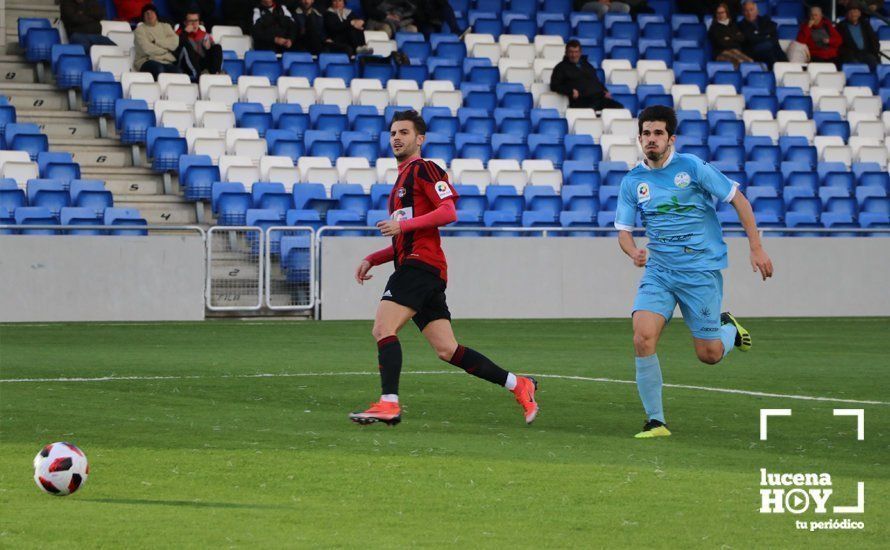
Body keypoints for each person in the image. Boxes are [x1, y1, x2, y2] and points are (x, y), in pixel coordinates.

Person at [349, 110, 540, 427]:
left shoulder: (425, 169)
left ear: (419, 139)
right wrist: (375, 257)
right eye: (393, 132)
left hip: (420, 266)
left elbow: (448, 211)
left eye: (404, 132)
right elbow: (406, 236)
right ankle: (518, 384)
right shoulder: (399, 183)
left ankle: (388, 403)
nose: (397, 137)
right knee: (447, 349)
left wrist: (404, 226)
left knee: (383, 328)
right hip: (424, 269)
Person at [614, 105, 774, 439]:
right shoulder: (632, 181)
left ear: (671, 138)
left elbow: (738, 200)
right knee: (642, 336)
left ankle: (728, 330)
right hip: (659, 271)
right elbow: (624, 232)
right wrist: (633, 252)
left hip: (700, 271)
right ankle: (655, 421)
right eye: (646, 133)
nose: (652, 139)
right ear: (640, 138)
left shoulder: (693, 168)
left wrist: (756, 246)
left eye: (658, 133)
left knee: (709, 355)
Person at [550, 40, 624, 111]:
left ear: (580, 53)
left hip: (598, 98)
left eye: (576, 52)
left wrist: (605, 91)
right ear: (566, 53)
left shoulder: (587, 65)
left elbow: (596, 81)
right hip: (581, 101)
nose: (574, 55)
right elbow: (554, 86)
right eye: (571, 52)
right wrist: (570, 91)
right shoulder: (560, 67)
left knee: (619, 108)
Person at [133, 4, 183, 79]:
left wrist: (156, 42)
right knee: (159, 69)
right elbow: (147, 49)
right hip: (146, 61)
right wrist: (166, 50)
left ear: (156, 14)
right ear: (143, 17)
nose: (149, 15)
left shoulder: (166, 26)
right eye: (147, 13)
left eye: (152, 12)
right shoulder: (139, 30)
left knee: (178, 72)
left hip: (166, 61)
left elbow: (174, 43)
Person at [176, 9, 224, 81]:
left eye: (196, 20)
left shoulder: (204, 34)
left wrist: (208, 48)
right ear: (185, 23)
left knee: (217, 47)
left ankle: (215, 74)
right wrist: (185, 33)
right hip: (186, 66)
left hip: (201, 63)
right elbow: (177, 50)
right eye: (191, 21)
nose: (194, 24)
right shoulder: (179, 34)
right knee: (186, 46)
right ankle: (198, 76)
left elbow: (213, 53)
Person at [738, 0, 787, 67]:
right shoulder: (741, 25)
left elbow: (773, 34)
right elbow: (751, 39)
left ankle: (787, 71)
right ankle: (775, 73)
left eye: (751, 10)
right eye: (746, 11)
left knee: (778, 51)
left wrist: (759, 36)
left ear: (757, 11)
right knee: (770, 50)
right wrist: (766, 36)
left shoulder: (765, 20)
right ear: (743, 12)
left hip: (771, 48)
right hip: (753, 52)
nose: (749, 13)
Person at [708, 2, 753, 69]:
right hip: (722, 53)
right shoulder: (714, 28)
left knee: (750, 62)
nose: (720, 15)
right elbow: (721, 43)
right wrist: (734, 37)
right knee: (739, 62)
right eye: (718, 13)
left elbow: (742, 38)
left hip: (736, 51)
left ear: (727, 13)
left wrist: (729, 38)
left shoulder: (734, 25)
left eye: (722, 12)